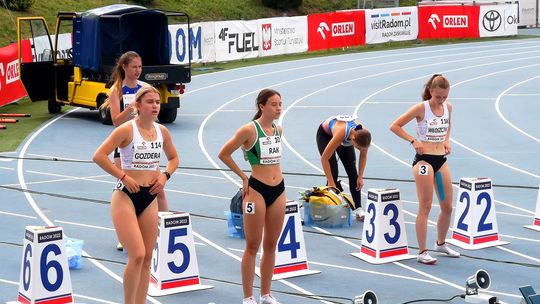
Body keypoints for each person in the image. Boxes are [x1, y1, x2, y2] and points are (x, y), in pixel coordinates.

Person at [93, 86, 179, 303]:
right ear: (138, 106)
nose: (155, 106)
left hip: (149, 197)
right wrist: (123, 176)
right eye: (150, 102)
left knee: (148, 257)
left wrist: (164, 177)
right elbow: (99, 156)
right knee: (137, 254)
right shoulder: (126, 130)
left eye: (157, 102)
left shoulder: (162, 132)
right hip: (125, 197)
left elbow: (174, 159)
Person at [218, 89, 286, 304]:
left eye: (280, 104)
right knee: (252, 245)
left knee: (271, 244)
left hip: (279, 189)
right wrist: (243, 177)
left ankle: (266, 293)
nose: (278, 108)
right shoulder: (249, 130)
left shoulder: (278, 129)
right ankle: (248, 297)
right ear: (262, 106)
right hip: (256, 190)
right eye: (274, 104)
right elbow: (224, 153)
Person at [389, 74, 460, 264]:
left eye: (444, 97)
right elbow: (395, 126)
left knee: (447, 207)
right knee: (426, 206)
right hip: (423, 163)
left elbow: (449, 124)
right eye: (438, 97)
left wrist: (446, 140)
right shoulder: (421, 108)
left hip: (441, 161)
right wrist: (413, 141)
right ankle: (422, 252)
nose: (442, 100)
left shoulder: (448, 107)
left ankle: (441, 243)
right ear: (431, 91)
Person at [104, 51, 169, 250]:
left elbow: (153, 117)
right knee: (127, 188)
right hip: (125, 143)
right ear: (124, 67)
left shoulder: (146, 88)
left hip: (146, 144)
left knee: (157, 189)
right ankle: (125, 233)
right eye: (134, 67)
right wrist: (132, 108)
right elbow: (116, 120)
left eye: (140, 67)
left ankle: (165, 227)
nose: (138, 71)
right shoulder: (117, 91)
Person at [316, 115, 371, 221]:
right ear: (353, 140)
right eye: (358, 148)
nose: (360, 150)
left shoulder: (364, 136)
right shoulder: (341, 133)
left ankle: (358, 208)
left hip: (345, 136)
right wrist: (331, 182)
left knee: (353, 172)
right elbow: (324, 159)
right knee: (333, 173)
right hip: (326, 135)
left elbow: (363, 155)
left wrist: (360, 177)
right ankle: (330, 207)